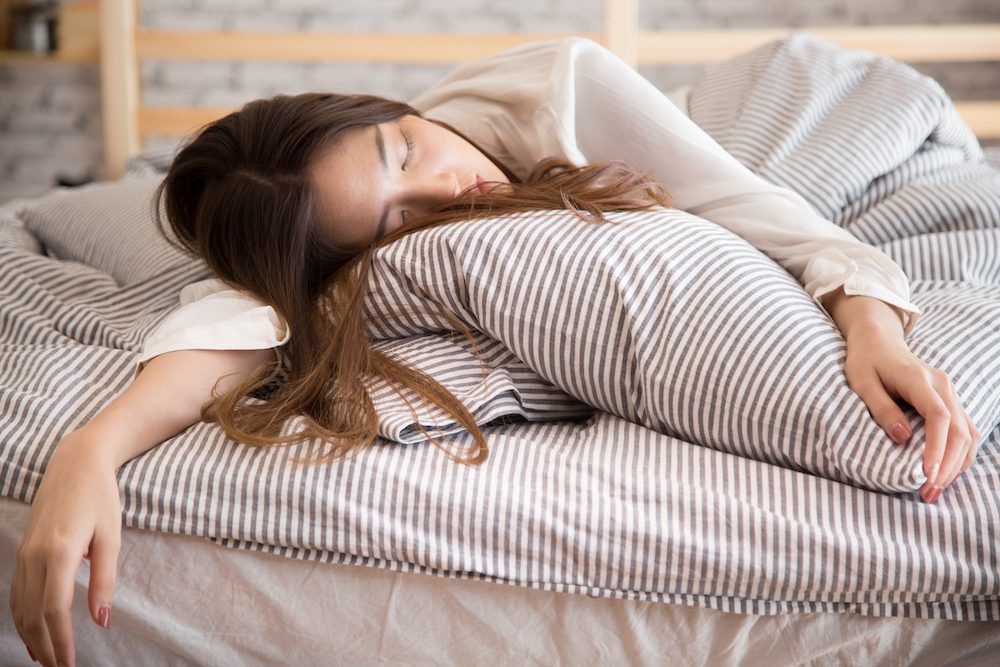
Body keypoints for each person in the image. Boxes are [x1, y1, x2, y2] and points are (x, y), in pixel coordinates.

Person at [9, 37, 981, 667]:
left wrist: (867, 322)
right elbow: (233, 318)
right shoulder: (332, 231)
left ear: (384, 106)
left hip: (759, 119)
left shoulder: (558, 83)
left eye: (405, 154)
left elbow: (756, 213)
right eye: (393, 222)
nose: (446, 197)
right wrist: (90, 448)